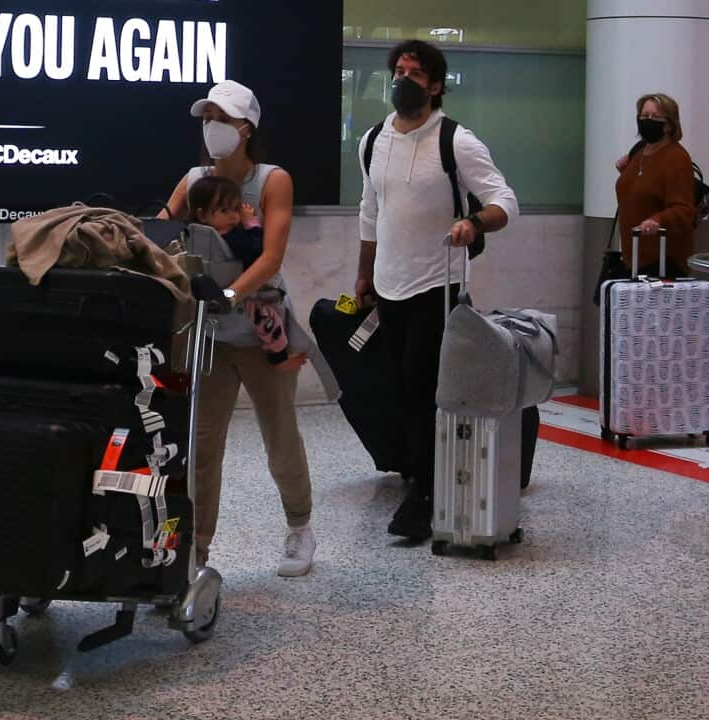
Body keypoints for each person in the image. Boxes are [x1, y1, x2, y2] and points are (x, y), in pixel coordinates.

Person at [355, 40, 520, 540]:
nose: (404, 79)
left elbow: (505, 201)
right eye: (399, 71)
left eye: (416, 73)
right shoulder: (372, 140)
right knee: (401, 386)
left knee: (424, 384)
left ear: (435, 86)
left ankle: (426, 493)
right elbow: (370, 211)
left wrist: (473, 222)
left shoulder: (456, 141)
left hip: (438, 282)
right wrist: (363, 274)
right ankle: (416, 470)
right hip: (389, 283)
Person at [162, 80, 316, 576]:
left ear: (246, 128)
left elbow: (271, 257)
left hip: (260, 330)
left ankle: (299, 526)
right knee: (202, 449)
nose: (213, 129)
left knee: (280, 437)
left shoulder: (273, 181)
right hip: (208, 339)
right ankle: (195, 550)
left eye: (223, 120)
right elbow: (161, 232)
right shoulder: (192, 180)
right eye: (208, 118)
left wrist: (229, 296)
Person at [186, 175, 292, 369]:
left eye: (236, 209)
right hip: (243, 300)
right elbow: (257, 251)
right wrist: (251, 223)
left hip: (210, 306)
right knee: (270, 320)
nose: (234, 216)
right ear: (202, 215)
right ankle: (279, 354)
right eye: (225, 210)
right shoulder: (231, 236)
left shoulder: (193, 235)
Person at [614, 93, 696, 275]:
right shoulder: (639, 152)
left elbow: (684, 209)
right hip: (633, 257)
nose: (647, 121)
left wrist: (657, 220)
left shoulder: (676, 158)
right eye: (644, 116)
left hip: (662, 261)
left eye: (654, 117)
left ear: (668, 124)